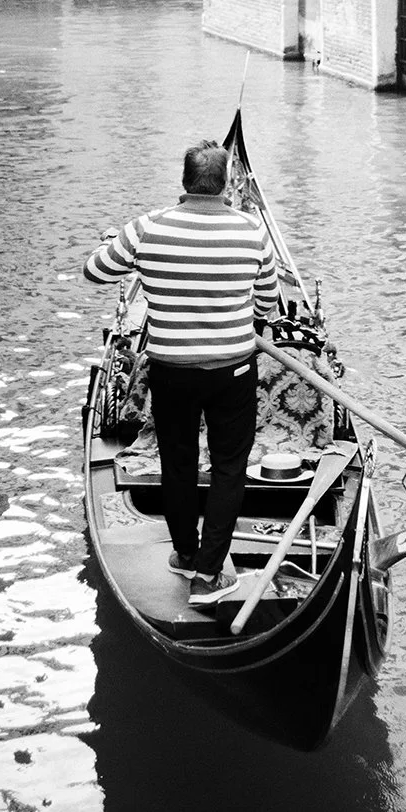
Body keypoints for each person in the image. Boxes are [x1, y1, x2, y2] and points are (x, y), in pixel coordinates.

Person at [83, 140, 281, 603]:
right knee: (230, 468)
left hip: (171, 371)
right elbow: (268, 305)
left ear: (185, 182)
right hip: (232, 370)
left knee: (178, 465)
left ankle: (187, 555)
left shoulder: (147, 227)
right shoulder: (252, 231)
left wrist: (112, 245)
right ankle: (209, 575)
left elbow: (95, 272)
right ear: (228, 184)